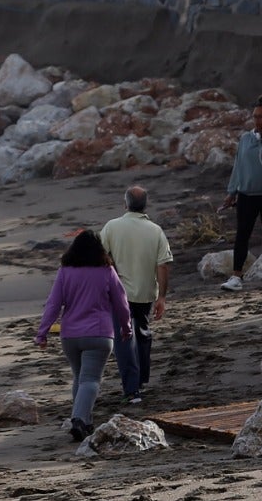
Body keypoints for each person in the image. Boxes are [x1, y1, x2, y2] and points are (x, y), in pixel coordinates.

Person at [36, 230, 132, 441]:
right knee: (90, 380)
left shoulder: (65, 271)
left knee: (79, 378)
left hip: (70, 335)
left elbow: (53, 304)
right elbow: (121, 302)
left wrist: (42, 332)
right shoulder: (106, 271)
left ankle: (84, 422)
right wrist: (126, 327)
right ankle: (79, 419)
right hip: (99, 334)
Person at [100, 186, 173, 406]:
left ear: (125, 204)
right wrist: (162, 296)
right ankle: (140, 380)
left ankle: (132, 390)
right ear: (145, 206)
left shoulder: (112, 227)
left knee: (124, 339)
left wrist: (110, 264)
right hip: (145, 292)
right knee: (142, 332)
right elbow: (163, 266)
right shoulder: (155, 230)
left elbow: (99, 254)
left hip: (118, 292)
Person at [220, 93, 262, 291]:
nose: (257, 120)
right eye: (255, 116)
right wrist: (231, 192)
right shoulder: (245, 139)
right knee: (242, 234)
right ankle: (236, 277)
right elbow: (238, 166)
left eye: (261, 117)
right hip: (247, 195)